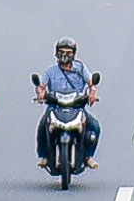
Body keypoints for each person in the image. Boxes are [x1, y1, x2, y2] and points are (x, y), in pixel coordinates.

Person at [34, 40, 100, 168]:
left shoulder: (80, 68)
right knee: (42, 127)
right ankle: (44, 156)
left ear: (74, 54)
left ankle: (88, 156)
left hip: (76, 107)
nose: (64, 55)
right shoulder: (50, 71)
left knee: (95, 126)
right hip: (55, 107)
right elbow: (41, 86)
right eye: (61, 52)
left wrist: (93, 93)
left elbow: (92, 82)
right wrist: (40, 93)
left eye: (68, 53)